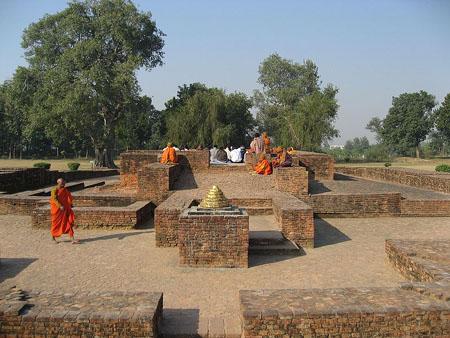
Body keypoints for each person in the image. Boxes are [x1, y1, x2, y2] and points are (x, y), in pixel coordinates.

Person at [50, 178, 79, 244]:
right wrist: (60, 206)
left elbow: (69, 197)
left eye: (64, 182)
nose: (63, 183)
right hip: (57, 210)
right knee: (55, 224)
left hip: (65, 209)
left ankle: (72, 239)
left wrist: (70, 204)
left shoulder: (65, 190)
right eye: (62, 182)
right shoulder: (54, 190)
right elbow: (54, 199)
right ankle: (53, 237)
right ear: (58, 182)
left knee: (69, 223)